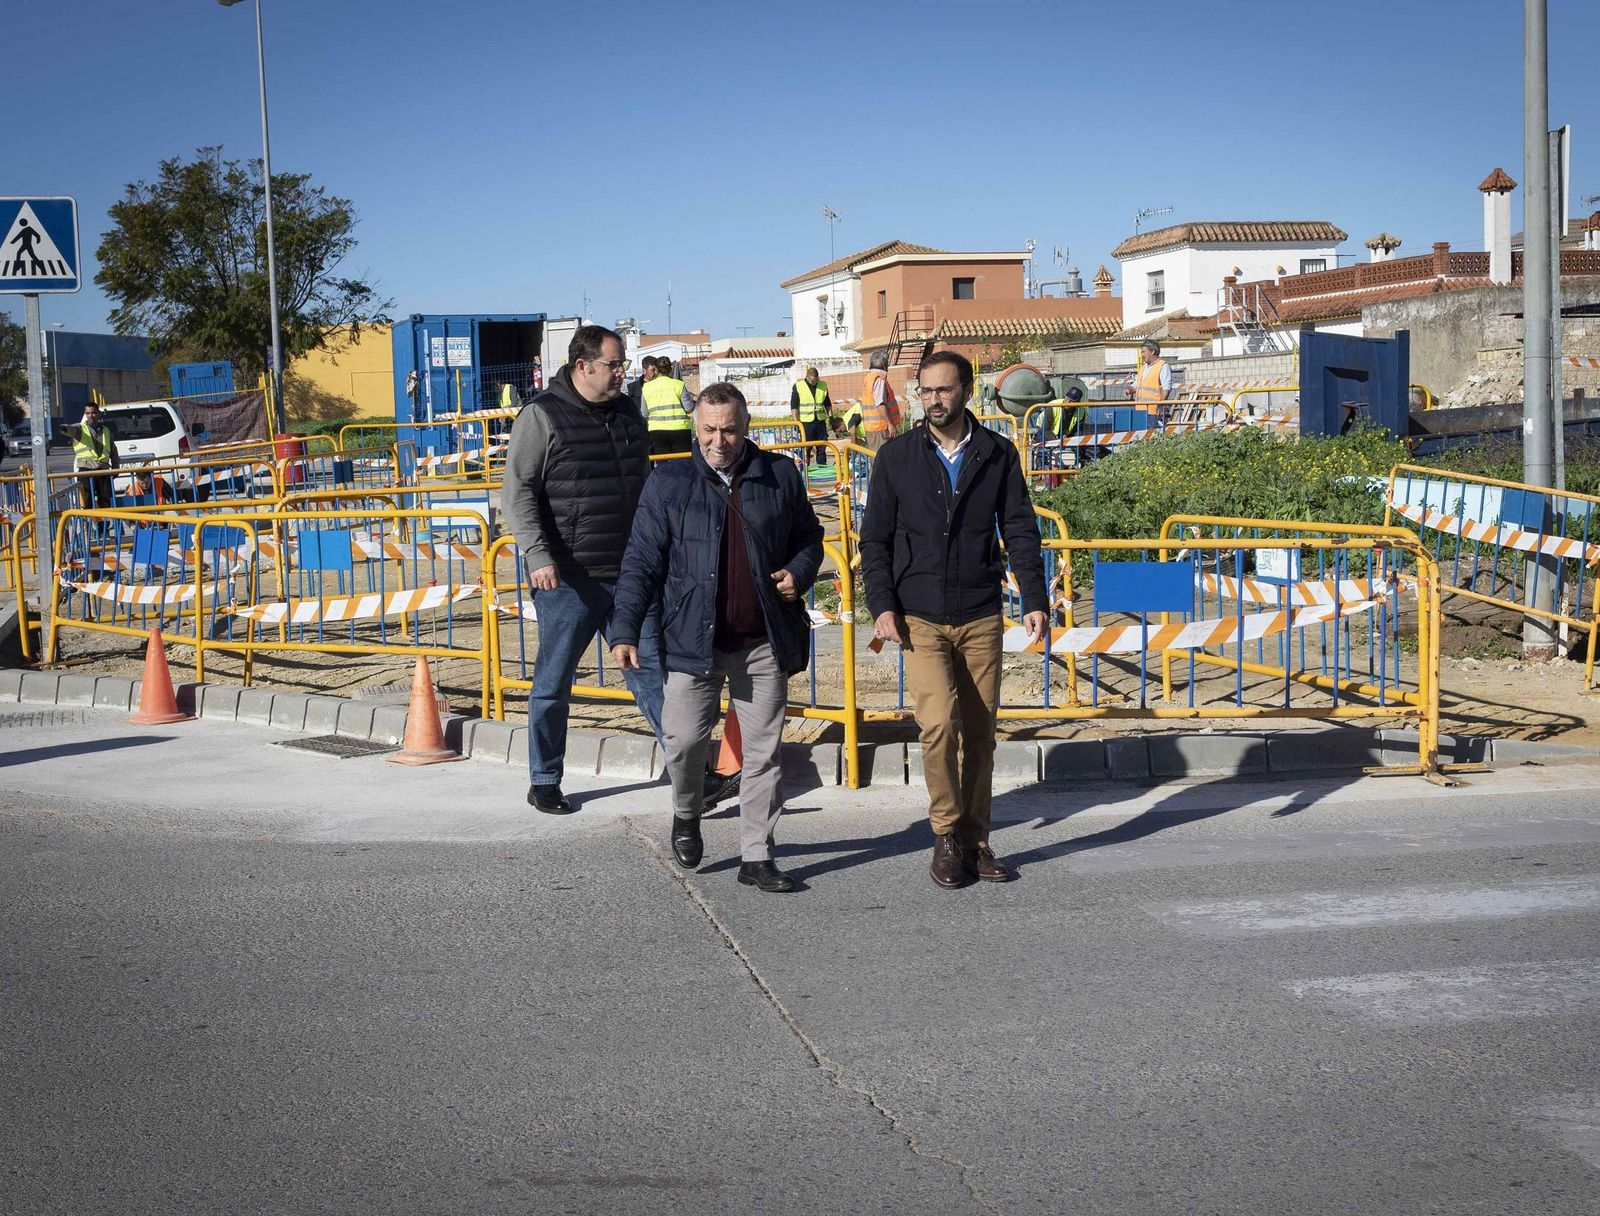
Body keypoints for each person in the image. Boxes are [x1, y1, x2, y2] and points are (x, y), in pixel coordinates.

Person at [610, 382, 824, 893]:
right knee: (683, 742)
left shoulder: (780, 475)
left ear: (746, 426)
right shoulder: (668, 483)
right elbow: (641, 561)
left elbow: (809, 537)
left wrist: (800, 570)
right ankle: (687, 812)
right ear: (695, 428)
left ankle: (757, 855)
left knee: (763, 753)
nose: (719, 440)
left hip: (762, 641)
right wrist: (624, 627)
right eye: (708, 429)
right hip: (692, 643)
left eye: (729, 429)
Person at [859, 350, 1048, 889]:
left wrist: (1034, 597)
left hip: (980, 613)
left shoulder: (997, 454)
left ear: (968, 390)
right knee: (939, 724)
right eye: (926, 391)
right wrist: (883, 606)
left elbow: (1019, 529)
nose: (934, 400)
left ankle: (977, 838)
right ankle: (946, 832)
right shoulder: (896, 458)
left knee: (982, 733)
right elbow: (874, 540)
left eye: (944, 390)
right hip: (919, 616)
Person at [501, 324, 670, 815]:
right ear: (583, 366)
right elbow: (518, 493)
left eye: (623, 365)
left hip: (631, 574)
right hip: (568, 579)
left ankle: (690, 772)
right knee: (554, 682)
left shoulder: (627, 414)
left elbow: (644, 486)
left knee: (653, 674)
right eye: (614, 365)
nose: (623, 373)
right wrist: (538, 555)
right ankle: (545, 779)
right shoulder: (541, 416)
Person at [62, 401, 119, 511]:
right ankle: (90, 526)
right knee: (88, 502)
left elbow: (113, 451)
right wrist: (64, 428)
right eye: (87, 413)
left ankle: (103, 526)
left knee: (106, 502)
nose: (90, 416)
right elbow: (71, 429)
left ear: (98, 414)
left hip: (103, 470)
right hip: (86, 471)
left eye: (93, 413)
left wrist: (116, 468)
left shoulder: (106, 431)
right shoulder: (80, 429)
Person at [641, 355, 695, 456]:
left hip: (657, 431)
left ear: (656, 369)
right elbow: (689, 408)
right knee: (682, 464)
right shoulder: (679, 384)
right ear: (670, 369)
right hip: (680, 430)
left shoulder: (646, 387)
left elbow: (644, 413)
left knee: (663, 465)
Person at [789, 366, 833, 467]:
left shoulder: (822, 385)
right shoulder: (799, 386)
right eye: (813, 381)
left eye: (816, 380)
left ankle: (822, 466)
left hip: (820, 421)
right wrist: (796, 422)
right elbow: (794, 406)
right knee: (806, 447)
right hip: (806, 422)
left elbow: (827, 403)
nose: (814, 383)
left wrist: (831, 417)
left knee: (822, 445)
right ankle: (804, 467)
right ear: (807, 377)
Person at [860, 349, 901, 452]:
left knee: (877, 461)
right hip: (881, 429)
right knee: (883, 461)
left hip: (873, 429)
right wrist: (890, 424)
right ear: (884, 364)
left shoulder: (869, 378)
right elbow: (880, 404)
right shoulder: (879, 379)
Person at [1130, 338, 1171, 407]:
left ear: (1152, 352)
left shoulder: (1163, 366)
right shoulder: (1143, 368)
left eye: (1143, 352)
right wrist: (1130, 389)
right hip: (1140, 411)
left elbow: (1166, 388)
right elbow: (1137, 384)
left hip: (1153, 411)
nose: (1141, 355)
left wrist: (1160, 407)